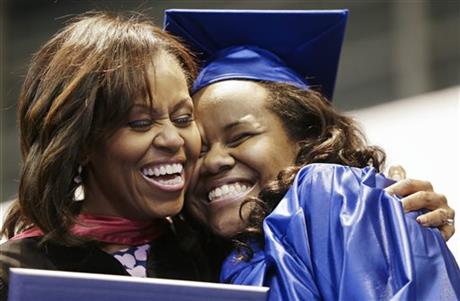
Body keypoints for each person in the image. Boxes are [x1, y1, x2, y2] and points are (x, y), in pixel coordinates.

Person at [164, 9, 460, 300]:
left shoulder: (330, 193)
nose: (214, 161)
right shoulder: (211, 260)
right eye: (198, 150)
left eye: (240, 137)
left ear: (306, 137)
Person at [0, 11, 211, 300]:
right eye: (140, 123)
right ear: (81, 141)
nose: (173, 139)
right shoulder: (17, 274)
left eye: (184, 118)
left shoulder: (214, 253)